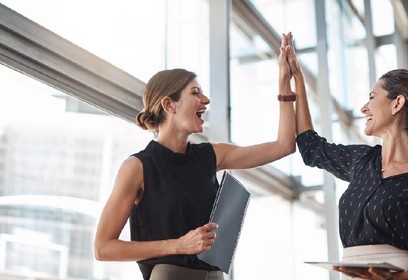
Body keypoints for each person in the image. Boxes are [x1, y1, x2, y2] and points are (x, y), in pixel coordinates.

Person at [94, 34, 297, 280]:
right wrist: (178, 245)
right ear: (169, 105)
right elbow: (103, 247)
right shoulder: (137, 167)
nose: (206, 100)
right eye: (195, 93)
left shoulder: (210, 155)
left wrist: (284, 81)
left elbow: (283, 146)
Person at [283, 33, 408, 280]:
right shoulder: (362, 161)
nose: (364, 108)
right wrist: (297, 78)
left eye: (372, 97)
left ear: (397, 103)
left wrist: (392, 278)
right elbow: (310, 147)